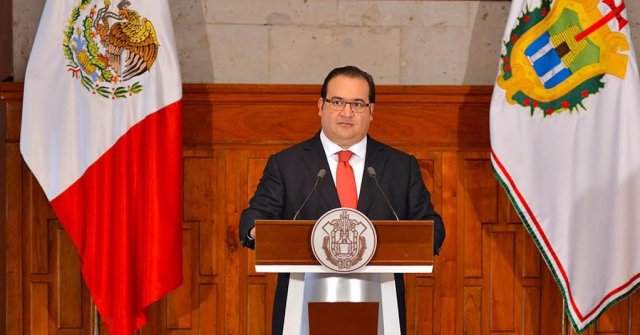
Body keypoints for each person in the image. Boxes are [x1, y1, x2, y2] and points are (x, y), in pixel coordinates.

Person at [239, 65, 445, 335]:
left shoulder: (399, 166)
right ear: (321, 105)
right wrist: (259, 230)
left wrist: (415, 238)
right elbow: (253, 218)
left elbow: (432, 226)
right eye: (337, 102)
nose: (347, 113)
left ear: (371, 112)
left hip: (380, 306)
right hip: (303, 304)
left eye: (358, 104)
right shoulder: (286, 164)